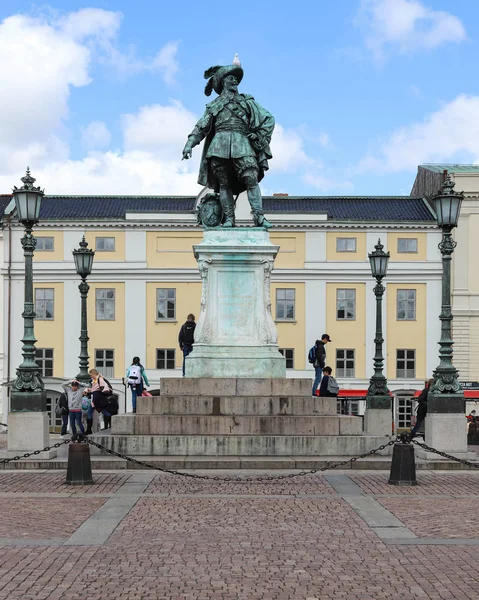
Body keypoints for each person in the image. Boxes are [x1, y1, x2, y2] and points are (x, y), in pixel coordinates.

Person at [182, 56, 275, 228]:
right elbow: (201, 127)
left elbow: (268, 119)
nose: (234, 81)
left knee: (251, 177)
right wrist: (189, 144)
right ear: (223, 82)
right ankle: (229, 219)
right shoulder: (214, 105)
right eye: (230, 78)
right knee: (224, 183)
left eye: (236, 79)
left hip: (242, 142)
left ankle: (259, 217)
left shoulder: (247, 102)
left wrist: (260, 136)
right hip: (219, 145)